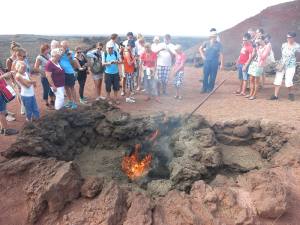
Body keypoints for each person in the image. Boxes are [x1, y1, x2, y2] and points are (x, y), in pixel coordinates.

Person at [270, 32, 300, 101]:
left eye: (290, 37)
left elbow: (297, 55)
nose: (288, 39)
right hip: (282, 64)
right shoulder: (284, 45)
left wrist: (294, 60)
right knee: (278, 79)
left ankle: (290, 93)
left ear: (293, 38)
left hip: (291, 65)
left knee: (288, 80)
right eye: (287, 37)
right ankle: (275, 95)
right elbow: (282, 54)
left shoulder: (297, 46)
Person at [15, 49, 40, 122]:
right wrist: (32, 82)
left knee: (35, 108)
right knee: (29, 110)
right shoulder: (18, 75)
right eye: (22, 68)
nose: (24, 69)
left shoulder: (25, 73)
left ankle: (37, 120)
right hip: (26, 95)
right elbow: (27, 85)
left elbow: (30, 81)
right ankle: (29, 122)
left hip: (31, 94)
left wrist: (31, 82)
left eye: (25, 68)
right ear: (17, 68)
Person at [247, 36, 271, 100]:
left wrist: (257, 49)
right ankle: (250, 93)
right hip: (253, 63)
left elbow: (263, 57)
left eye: (258, 39)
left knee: (256, 81)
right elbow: (253, 55)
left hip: (259, 65)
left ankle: (254, 95)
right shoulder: (258, 46)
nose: (257, 40)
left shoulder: (266, 47)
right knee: (251, 79)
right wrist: (255, 49)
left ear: (262, 40)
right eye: (257, 39)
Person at [34, 43, 55, 109]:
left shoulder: (48, 55)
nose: (49, 50)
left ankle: (52, 100)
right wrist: (43, 73)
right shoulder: (39, 57)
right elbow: (36, 67)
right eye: (48, 49)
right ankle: (46, 102)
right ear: (45, 49)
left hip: (51, 75)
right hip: (44, 77)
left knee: (51, 88)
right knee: (46, 89)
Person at [59, 40, 77, 109]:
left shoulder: (70, 52)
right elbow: (56, 60)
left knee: (72, 87)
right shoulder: (59, 52)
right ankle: (70, 101)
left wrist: (70, 58)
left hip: (69, 72)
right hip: (62, 73)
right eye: (63, 46)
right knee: (66, 87)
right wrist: (61, 54)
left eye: (66, 46)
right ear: (61, 46)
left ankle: (74, 103)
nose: (65, 47)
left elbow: (73, 64)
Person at [0, 70, 18, 135]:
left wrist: (8, 74)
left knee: (2, 111)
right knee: (1, 112)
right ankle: (6, 130)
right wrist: (3, 76)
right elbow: (2, 77)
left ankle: (2, 129)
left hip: (2, 91)